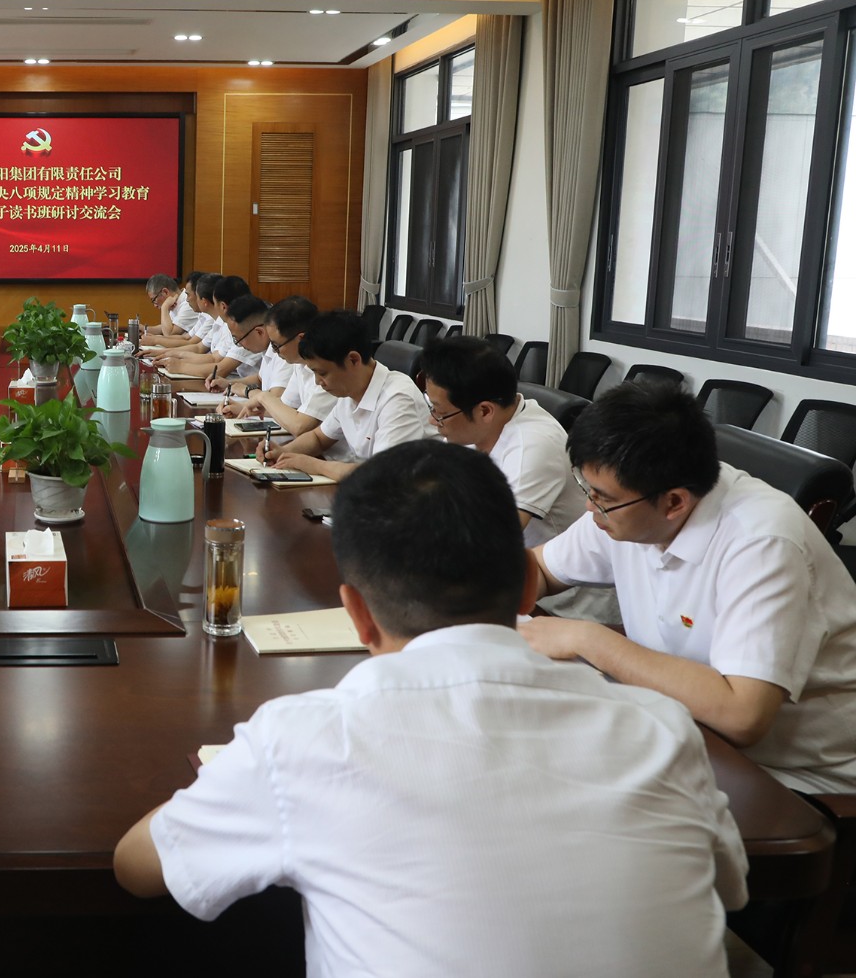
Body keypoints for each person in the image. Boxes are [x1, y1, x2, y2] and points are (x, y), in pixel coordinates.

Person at [113, 440, 746, 977]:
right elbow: (728, 887)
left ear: (357, 614)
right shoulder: (662, 730)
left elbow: (137, 867)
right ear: (529, 587)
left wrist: (240, 777)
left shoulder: (303, 741)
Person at [521, 382, 856, 793]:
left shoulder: (762, 542)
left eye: (602, 498)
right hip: (681, 728)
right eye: (586, 489)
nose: (590, 507)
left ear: (674, 503)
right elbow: (541, 569)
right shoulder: (631, 504)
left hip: (793, 777)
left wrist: (589, 639)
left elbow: (743, 715)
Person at [417, 334, 581, 547]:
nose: (432, 420)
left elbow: (488, 541)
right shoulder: (476, 426)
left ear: (485, 411)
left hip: (540, 563)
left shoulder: (533, 446)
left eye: (440, 412)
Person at [256, 309, 431, 479]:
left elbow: (381, 473)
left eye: (322, 373)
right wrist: (283, 452)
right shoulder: (349, 391)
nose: (317, 382)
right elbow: (318, 438)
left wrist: (314, 465)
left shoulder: (398, 398)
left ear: (353, 360)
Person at [218, 296, 331, 438]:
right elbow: (286, 407)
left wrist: (262, 396)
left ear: (300, 339)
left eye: (276, 345)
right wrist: (245, 409)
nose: (274, 351)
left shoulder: (329, 371)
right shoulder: (300, 364)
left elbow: (300, 426)